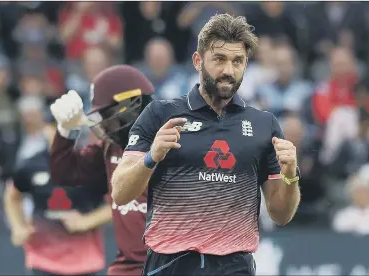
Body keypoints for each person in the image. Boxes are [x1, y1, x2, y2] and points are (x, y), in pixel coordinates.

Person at [111, 14, 301, 276]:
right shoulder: (159, 113)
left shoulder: (264, 124)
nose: (228, 71)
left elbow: (281, 215)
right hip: (170, 264)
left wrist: (291, 175)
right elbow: (120, 193)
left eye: (238, 61)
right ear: (198, 61)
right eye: (219, 59)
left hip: (236, 265)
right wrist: (151, 157)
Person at [48, 65, 155, 275]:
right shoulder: (111, 147)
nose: (104, 127)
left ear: (129, 109)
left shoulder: (175, 145)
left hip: (170, 264)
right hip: (128, 266)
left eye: (107, 115)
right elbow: (65, 172)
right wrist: (65, 130)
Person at [4, 95, 111, 276]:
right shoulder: (31, 164)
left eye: (71, 128)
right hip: (43, 260)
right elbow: (12, 195)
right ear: (46, 128)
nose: (64, 135)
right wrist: (18, 227)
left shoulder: (93, 166)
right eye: (59, 127)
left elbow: (119, 202)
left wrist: (88, 221)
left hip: (85, 262)